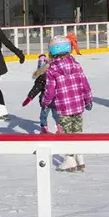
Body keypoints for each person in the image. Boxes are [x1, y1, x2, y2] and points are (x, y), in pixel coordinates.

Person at [40, 36, 93, 171]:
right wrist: (88, 99)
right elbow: (85, 85)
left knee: (66, 134)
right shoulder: (77, 65)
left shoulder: (52, 69)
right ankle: (80, 158)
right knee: (78, 132)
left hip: (63, 108)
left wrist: (45, 102)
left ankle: (70, 159)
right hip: (78, 106)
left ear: (52, 51)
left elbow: (50, 91)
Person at [23, 52, 59, 133]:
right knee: (52, 115)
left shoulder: (44, 77)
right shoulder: (50, 75)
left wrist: (29, 97)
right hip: (52, 101)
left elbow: (36, 89)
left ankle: (48, 128)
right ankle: (51, 128)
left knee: (45, 116)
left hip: (48, 101)